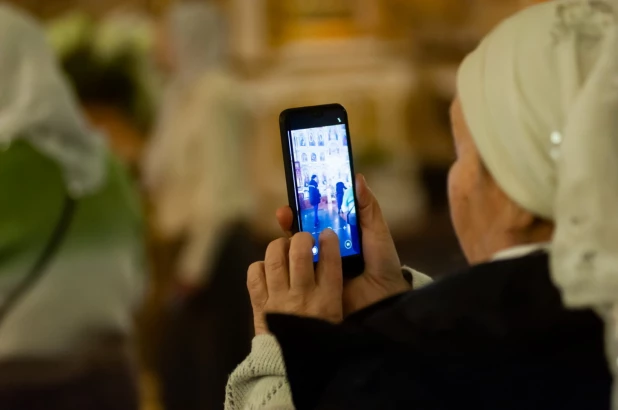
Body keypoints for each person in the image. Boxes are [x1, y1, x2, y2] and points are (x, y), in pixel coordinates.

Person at [226, 1, 617, 409]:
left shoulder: (432, 369)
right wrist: (391, 307)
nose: (453, 179)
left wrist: (284, 355)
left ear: (518, 200)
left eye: (461, 152)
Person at [0, 5, 144, 409]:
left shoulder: (5, 169)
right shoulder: (107, 166)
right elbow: (134, 281)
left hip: (18, 388)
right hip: (110, 380)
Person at [142, 2, 258, 409]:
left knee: (209, 375)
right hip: (189, 249)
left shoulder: (216, 95)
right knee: (181, 374)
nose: (157, 46)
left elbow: (220, 188)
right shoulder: (180, 95)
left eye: (164, 35)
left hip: (214, 252)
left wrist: (194, 266)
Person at [339, 186, 359, 253]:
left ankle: (356, 249)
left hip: (353, 215)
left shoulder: (348, 191)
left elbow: (344, 207)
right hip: (363, 212)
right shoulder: (359, 188)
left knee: (354, 232)